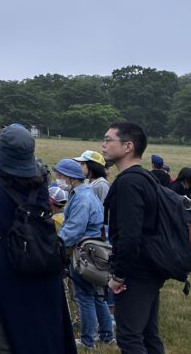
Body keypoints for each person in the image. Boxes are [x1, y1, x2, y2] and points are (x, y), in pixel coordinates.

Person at [0, 125, 75, 353]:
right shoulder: (41, 183)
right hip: (41, 258)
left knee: (5, 330)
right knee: (43, 327)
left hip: (5, 263)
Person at [102, 121, 166, 354]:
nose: (103, 144)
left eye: (109, 140)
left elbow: (130, 236)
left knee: (129, 338)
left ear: (128, 146)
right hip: (150, 268)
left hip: (135, 272)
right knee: (149, 336)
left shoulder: (129, 182)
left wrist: (119, 276)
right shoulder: (146, 178)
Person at [54, 157, 115, 348]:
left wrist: (57, 244)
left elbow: (74, 228)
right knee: (96, 296)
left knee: (84, 296)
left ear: (71, 178)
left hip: (83, 252)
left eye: (60, 175)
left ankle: (89, 340)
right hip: (93, 251)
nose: (57, 178)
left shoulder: (81, 198)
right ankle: (106, 335)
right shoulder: (85, 193)